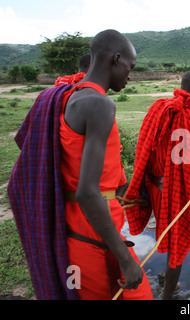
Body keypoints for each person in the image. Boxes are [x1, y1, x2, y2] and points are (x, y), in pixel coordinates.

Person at [8, 29, 153, 300]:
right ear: (116, 59)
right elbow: (88, 192)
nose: (130, 74)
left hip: (74, 232)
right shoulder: (99, 104)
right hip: (95, 239)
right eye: (129, 67)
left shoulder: (62, 97)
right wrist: (125, 259)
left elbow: (29, 145)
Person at [123, 70, 190, 300]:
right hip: (177, 192)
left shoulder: (159, 107)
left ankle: (165, 280)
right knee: (178, 241)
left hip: (154, 186)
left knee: (167, 234)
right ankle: (168, 292)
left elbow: (145, 146)